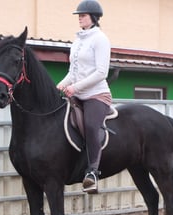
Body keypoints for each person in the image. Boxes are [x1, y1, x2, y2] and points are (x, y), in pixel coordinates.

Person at [57, 0, 112, 194]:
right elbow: (73, 71)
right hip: (77, 93)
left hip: (96, 94)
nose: (79, 17)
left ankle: (92, 173)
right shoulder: (77, 41)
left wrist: (75, 87)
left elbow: (101, 72)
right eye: (79, 15)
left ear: (94, 18)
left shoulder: (100, 39)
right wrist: (61, 85)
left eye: (83, 15)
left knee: (90, 125)